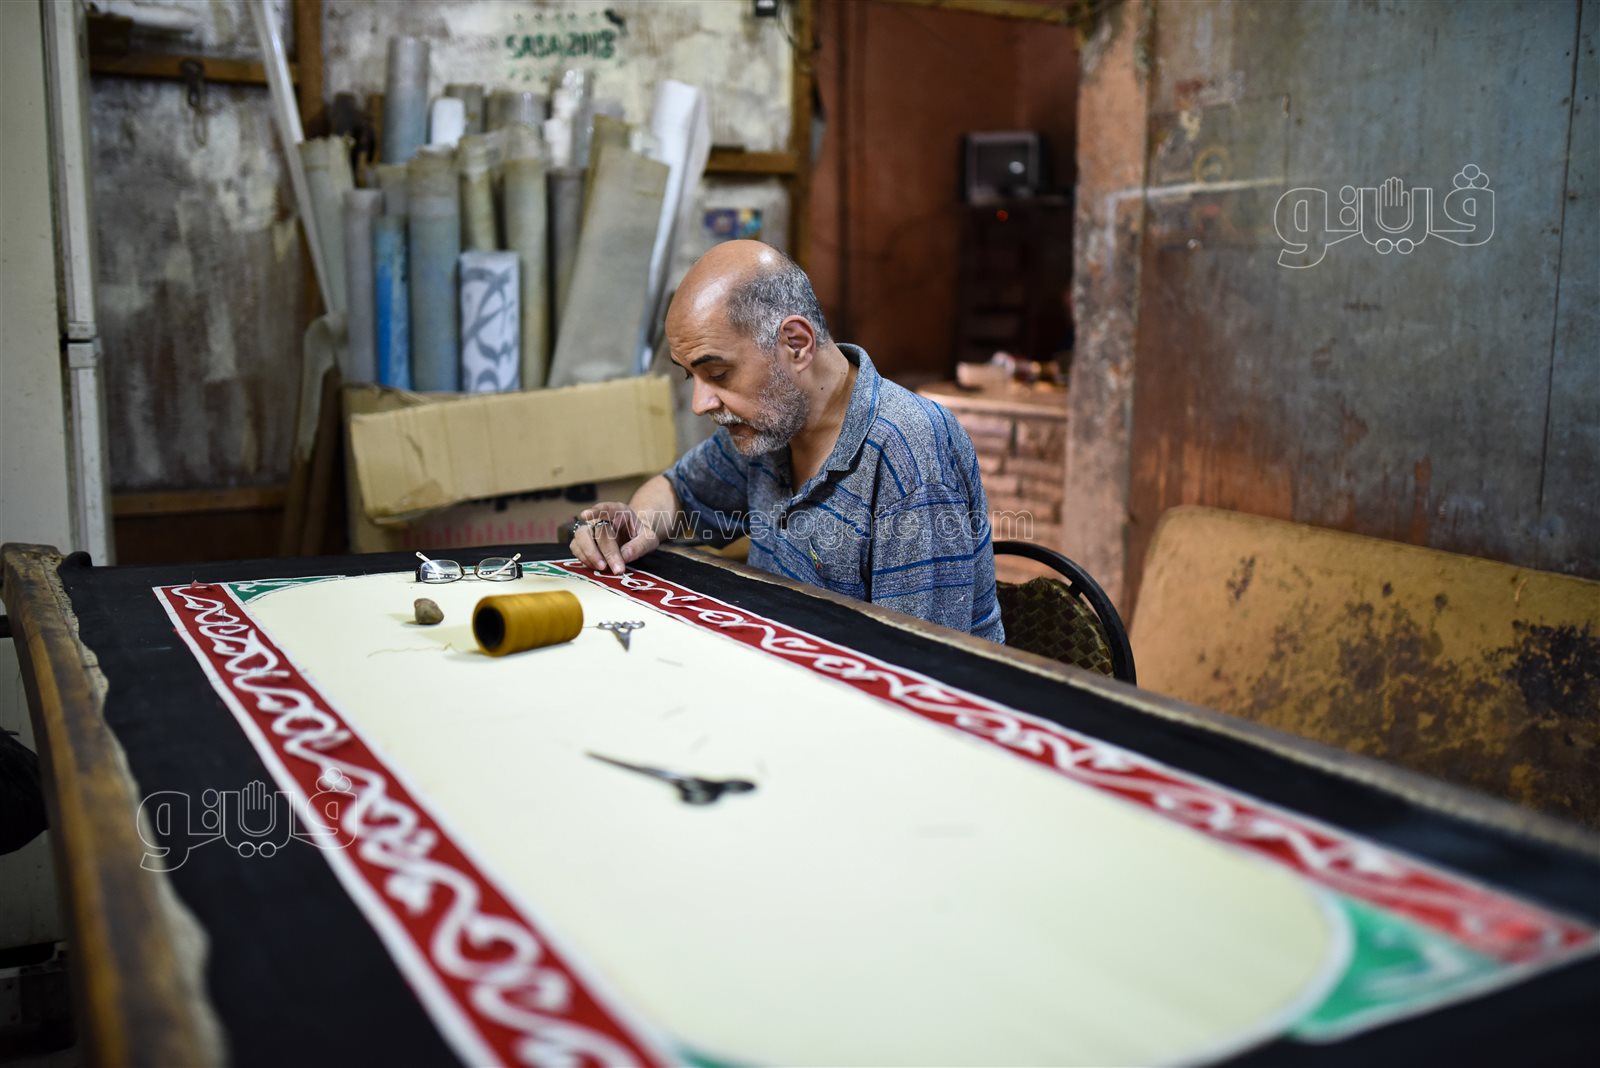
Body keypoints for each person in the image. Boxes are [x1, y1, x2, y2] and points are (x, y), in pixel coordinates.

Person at [569, 241, 1003, 642]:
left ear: (796, 344)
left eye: (718, 374)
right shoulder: (769, 427)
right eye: (691, 377)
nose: (701, 404)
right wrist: (637, 526)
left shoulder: (908, 455)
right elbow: (677, 489)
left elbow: (919, 660)